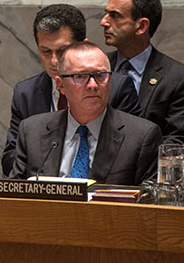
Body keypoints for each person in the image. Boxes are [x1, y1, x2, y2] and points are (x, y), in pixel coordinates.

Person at [1, 3, 141, 175]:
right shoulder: (26, 93)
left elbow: (131, 152)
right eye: (46, 51)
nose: (54, 61)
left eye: (62, 51)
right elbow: (10, 158)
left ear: (83, 46)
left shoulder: (115, 87)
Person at [10, 42, 160, 184]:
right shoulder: (32, 132)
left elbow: (147, 203)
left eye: (100, 75)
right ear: (61, 85)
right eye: (80, 77)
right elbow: (14, 196)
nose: (93, 85)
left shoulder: (141, 137)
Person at [101, 0, 184, 141]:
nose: (103, 22)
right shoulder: (98, 66)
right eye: (106, 14)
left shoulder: (179, 79)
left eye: (115, 16)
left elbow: (176, 140)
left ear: (141, 26)